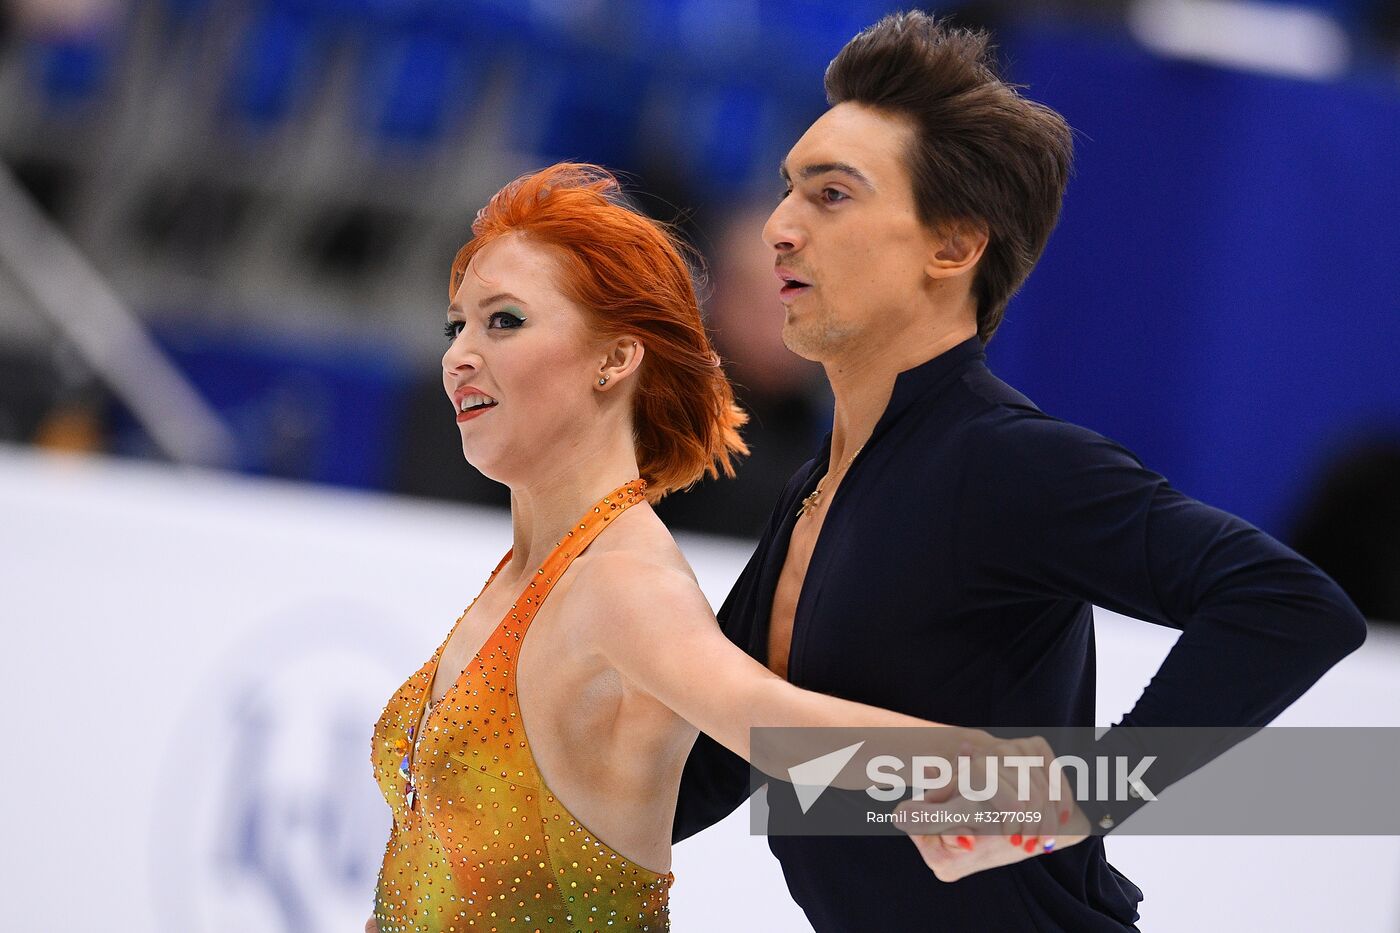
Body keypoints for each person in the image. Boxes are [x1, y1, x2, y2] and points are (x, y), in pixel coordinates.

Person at [671, 11, 1368, 932]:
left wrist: (1085, 797)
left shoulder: (1007, 460)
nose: (780, 228)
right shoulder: (818, 488)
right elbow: (718, 765)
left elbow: (1292, 605)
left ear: (953, 247)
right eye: (788, 189)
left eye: (831, 195)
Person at [365, 163, 1083, 933]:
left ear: (615, 358)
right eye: (457, 325)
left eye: (503, 321)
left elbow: (779, 724)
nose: (460, 355)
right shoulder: (528, 569)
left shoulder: (623, 583)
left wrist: (1058, 793)